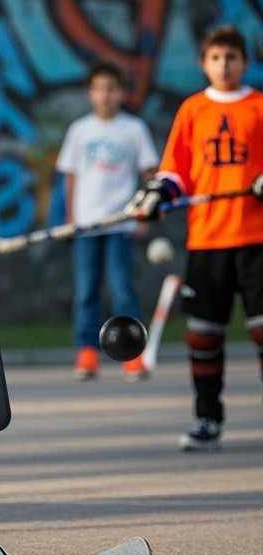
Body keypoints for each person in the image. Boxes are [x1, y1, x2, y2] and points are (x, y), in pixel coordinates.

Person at [126, 24, 263, 450]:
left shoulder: (259, 106)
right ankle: (207, 419)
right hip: (207, 239)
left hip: (256, 238)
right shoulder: (193, 110)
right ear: (204, 64)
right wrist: (159, 193)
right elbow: (176, 171)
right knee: (203, 334)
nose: (224, 65)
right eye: (216, 58)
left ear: (245, 62)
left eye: (232, 57)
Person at [56, 61, 159, 381]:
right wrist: (70, 217)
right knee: (86, 291)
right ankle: (87, 352)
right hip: (86, 225)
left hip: (121, 224)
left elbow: (150, 174)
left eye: (112, 89)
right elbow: (70, 177)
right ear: (90, 93)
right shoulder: (79, 130)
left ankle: (132, 354)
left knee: (123, 290)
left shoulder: (134, 129)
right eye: (99, 89)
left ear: (122, 93)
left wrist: (144, 213)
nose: (105, 95)